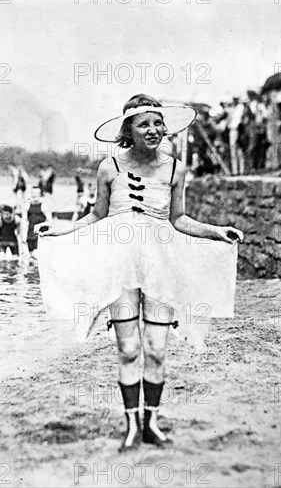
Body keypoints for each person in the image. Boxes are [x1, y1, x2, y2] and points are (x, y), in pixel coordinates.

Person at [38, 94, 243, 453]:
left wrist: (216, 230)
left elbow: (178, 219)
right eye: (143, 123)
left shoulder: (176, 168)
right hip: (118, 266)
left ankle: (152, 423)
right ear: (128, 130)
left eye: (157, 123)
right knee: (129, 349)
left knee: (157, 349)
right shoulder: (109, 168)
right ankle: (132, 426)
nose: (153, 130)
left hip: (162, 263)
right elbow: (95, 217)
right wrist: (57, 230)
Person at [22, 186, 52, 258]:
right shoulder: (27, 206)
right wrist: (23, 236)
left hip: (41, 235)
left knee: (37, 256)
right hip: (30, 235)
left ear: (40, 194)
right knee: (31, 258)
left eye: (37, 193)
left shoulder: (44, 206)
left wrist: (41, 225)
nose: (35, 195)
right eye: (33, 193)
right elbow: (24, 222)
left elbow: (50, 223)